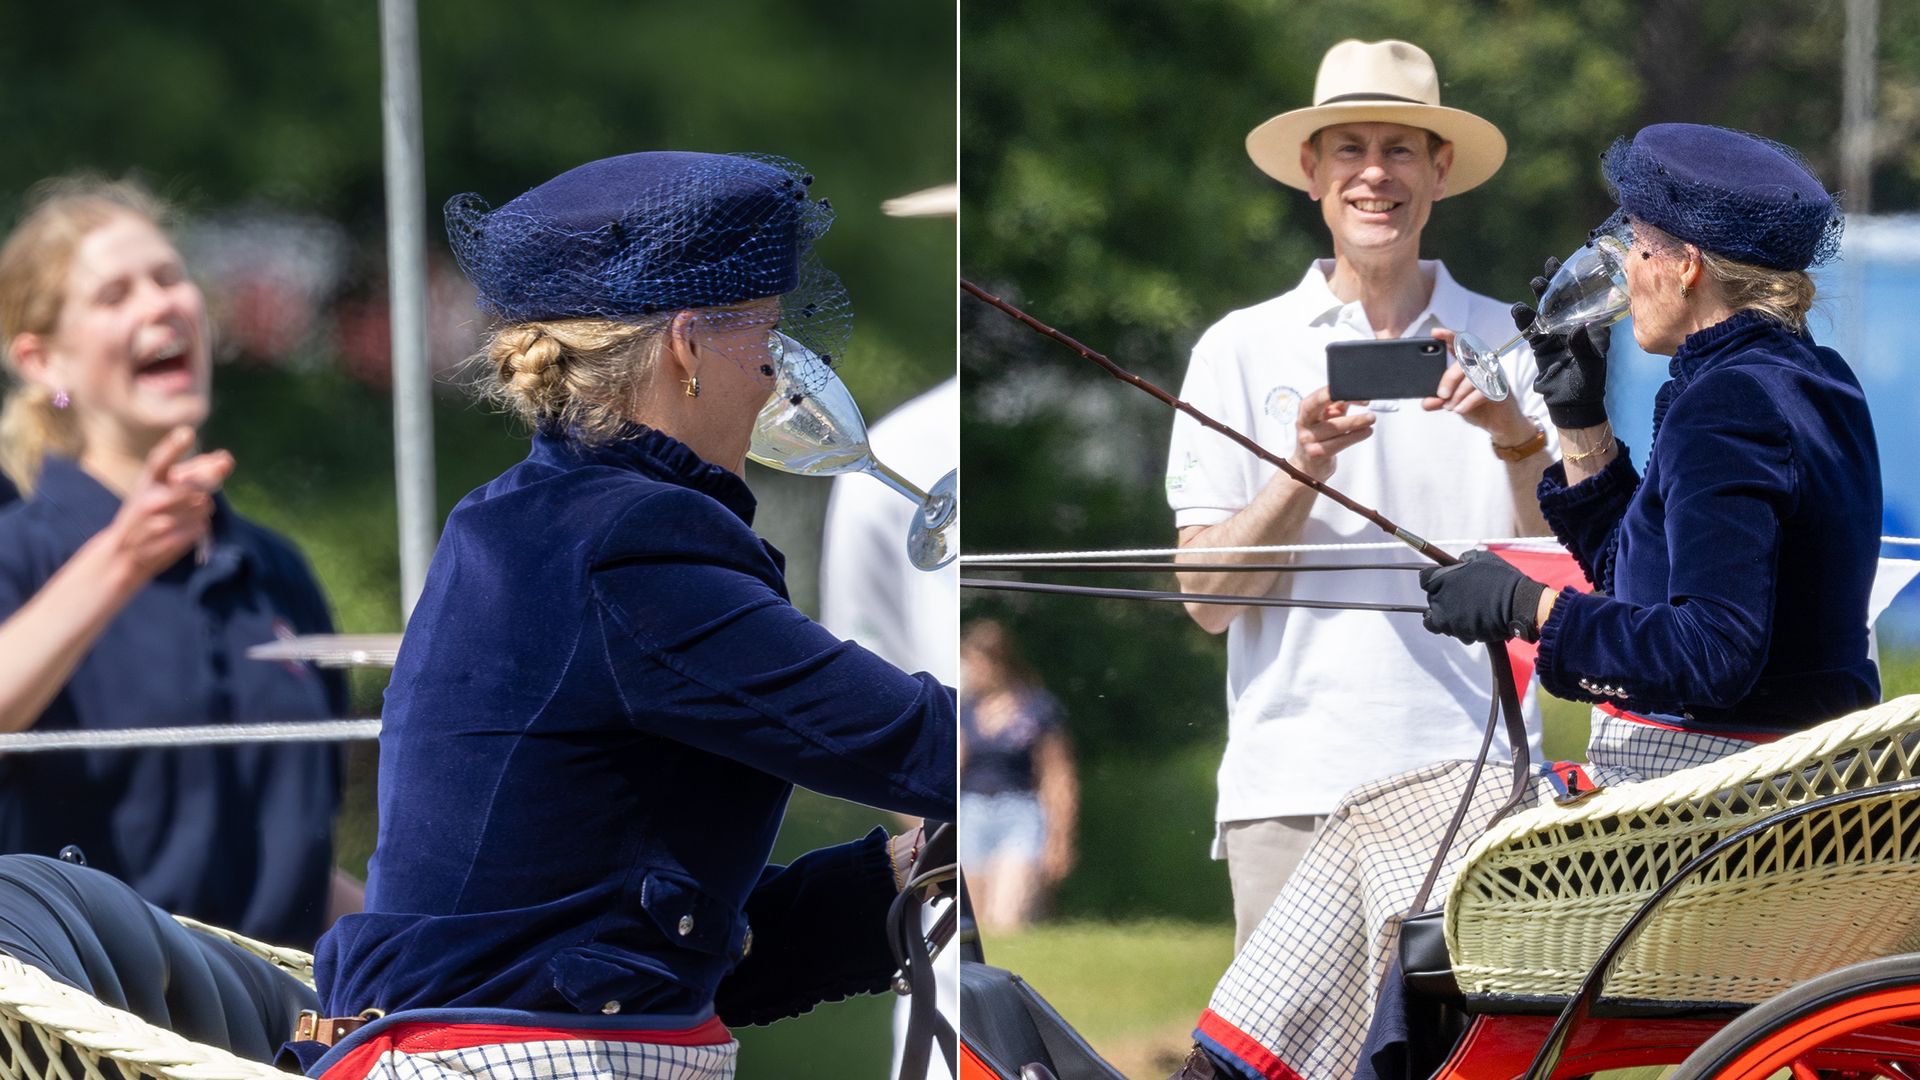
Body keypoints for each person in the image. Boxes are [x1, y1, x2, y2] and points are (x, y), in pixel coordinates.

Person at [1177, 123, 1880, 1080]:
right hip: (1752, 791)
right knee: (1388, 820)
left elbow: (1712, 650)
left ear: (1682, 267)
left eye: (1631, 247)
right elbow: (1644, 581)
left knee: (1375, 829)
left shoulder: (1729, 402)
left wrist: (1527, 608)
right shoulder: (1807, 381)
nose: (1621, 269)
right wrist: (1582, 425)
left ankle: (1233, 1072)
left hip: (1697, 809)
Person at [301, 152, 957, 1080]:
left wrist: (900, 878)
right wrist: (1011, 740)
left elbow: (639, 950)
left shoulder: (527, 514)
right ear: (689, 346)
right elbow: (921, 745)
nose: (778, 377)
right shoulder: (636, 541)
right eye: (766, 336)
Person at [1166, 38, 1555, 948]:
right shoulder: (1237, 348)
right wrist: (1301, 471)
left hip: (1480, 778)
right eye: (1349, 148)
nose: (1374, 175)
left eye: (1401, 150)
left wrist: (1512, 435)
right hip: (1292, 785)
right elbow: (1205, 602)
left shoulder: (1514, 341)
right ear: (1311, 171)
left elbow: (1566, 576)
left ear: (1439, 171)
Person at [0, 178, 349, 948]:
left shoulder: (274, 569)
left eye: (169, 278)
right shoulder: (17, 550)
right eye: (115, 294)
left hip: (282, 1034)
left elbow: (297, 869)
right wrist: (121, 559)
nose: (159, 306)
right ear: (41, 362)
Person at [958, 619, 1077, 930]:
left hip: (1020, 813)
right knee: (975, 925)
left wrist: (1060, 838)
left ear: (997, 662)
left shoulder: (1038, 708)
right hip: (971, 813)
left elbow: (1057, 776)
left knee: (1007, 919)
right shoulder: (964, 710)